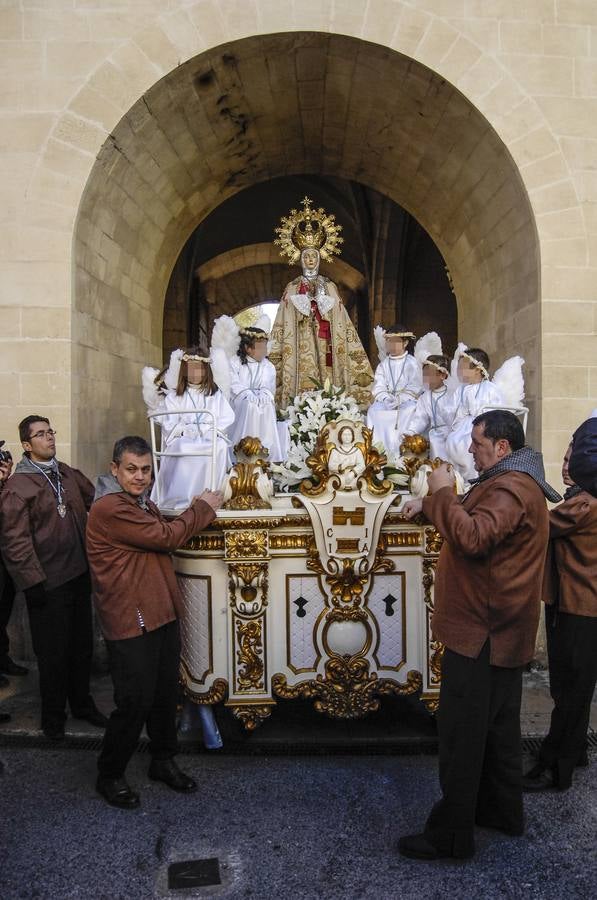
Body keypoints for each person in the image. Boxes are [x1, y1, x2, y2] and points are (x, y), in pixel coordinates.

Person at [399, 409, 560, 860]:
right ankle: (501, 812)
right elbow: (474, 521)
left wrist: (442, 490)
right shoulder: (512, 482)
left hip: (481, 634)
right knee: (497, 733)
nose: (470, 448)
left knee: (462, 738)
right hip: (500, 632)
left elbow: (471, 536)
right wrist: (432, 505)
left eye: (477, 442)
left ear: (503, 448)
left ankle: (450, 836)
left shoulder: (509, 488)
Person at [87, 435, 223, 809]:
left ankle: (162, 760)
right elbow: (166, 537)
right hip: (131, 620)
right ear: (115, 469)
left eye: (146, 470)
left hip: (159, 614)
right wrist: (202, 507)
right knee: (134, 701)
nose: (140, 477)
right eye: (131, 469)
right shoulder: (111, 508)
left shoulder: (139, 502)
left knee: (165, 696)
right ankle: (110, 773)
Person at [0, 416, 106, 739]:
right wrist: (32, 583)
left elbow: (97, 500)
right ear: (27, 445)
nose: (49, 438)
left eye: (50, 432)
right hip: (47, 584)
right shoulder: (19, 486)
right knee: (53, 654)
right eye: (40, 435)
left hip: (78, 574)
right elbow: (14, 540)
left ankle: (83, 704)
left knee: (81, 648)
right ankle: (53, 715)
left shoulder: (67, 473)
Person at [523, 419, 597, 792]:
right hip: (579, 607)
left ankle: (556, 767)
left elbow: (538, 526)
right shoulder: (582, 498)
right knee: (577, 689)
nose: (565, 466)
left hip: (578, 609)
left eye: (572, 460)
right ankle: (575, 751)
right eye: (563, 459)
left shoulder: (584, 505)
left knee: (569, 692)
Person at [270, 197, 373, 409]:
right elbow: (284, 323)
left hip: (328, 349)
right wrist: (303, 309)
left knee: (330, 387)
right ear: (299, 258)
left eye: (313, 255)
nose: (310, 259)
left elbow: (341, 321)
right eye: (306, 255)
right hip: (299, 351)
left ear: (320, 257)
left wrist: (322, 307)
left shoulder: (330, 287)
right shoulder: (292, 288)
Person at [143, 347, 234, 508]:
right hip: (184, 437)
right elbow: (170, 422)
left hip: (209, 435)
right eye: (191, 369)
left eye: (198, 369)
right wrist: (184, 430)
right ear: (184, 371)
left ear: (206, 371)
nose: (195, 373)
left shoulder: (215, 395)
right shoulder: (175, 396)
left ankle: (212, 496)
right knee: (182, 446)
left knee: (219, 446)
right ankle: (181, 499)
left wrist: (210, 430)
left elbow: (226, 417)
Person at [445, 347, 504, 482]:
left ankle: (473, 478)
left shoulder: (490, 389)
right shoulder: (460, 390)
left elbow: (497, 412)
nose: (459, 371)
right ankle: (458, 479)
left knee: (468, 444)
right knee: (452, 441)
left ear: (477, 369)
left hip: (483, 428)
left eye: (463, 367)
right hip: (462, 425)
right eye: (458, 368)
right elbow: (450, 411)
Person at [229, 325, 282, 461]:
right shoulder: (235, 363)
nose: (264, 351)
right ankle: (242, 449)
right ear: (248, 348)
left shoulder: (267, 366)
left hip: (260, 399)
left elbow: (268, 385)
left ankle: (266, 451)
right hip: (241, 403)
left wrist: (264, 394)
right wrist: (246, 394)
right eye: (260, 347)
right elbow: (233, 383)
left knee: (267, 405)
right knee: (249, 405)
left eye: (264, 347)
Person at [366, 325, 422, 455]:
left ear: (405, 343)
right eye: (389, 341)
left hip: (405, 401)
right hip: (387, 401)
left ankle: (403, 450)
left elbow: (415, 384)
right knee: (373, 411)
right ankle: (378, 451)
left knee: (410, 410)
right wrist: (385, 397)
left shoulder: (412, 363)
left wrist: (400, 399)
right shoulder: (383, 365)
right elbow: (379, 385)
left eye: (396, 341)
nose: (391, 345)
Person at [402, 353, 455, 461]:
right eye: (424, 374)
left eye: (430, 374)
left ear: (443, 375)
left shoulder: (452, 394)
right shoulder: (425, 397)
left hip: (450, 432)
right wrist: (411, 431)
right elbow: (420, 418)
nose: (426, 378)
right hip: (434, 435)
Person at [327, 425, 366, 490]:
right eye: (344, 435)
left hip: (354, 478)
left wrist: (353, 473)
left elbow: (362, 465)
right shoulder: (335, 451)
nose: (347, 437)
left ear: (352, 436)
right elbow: (331, 465)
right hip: (339, 478)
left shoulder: (357, 451)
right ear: (340, 436)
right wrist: (343, 466)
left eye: (349, 434)